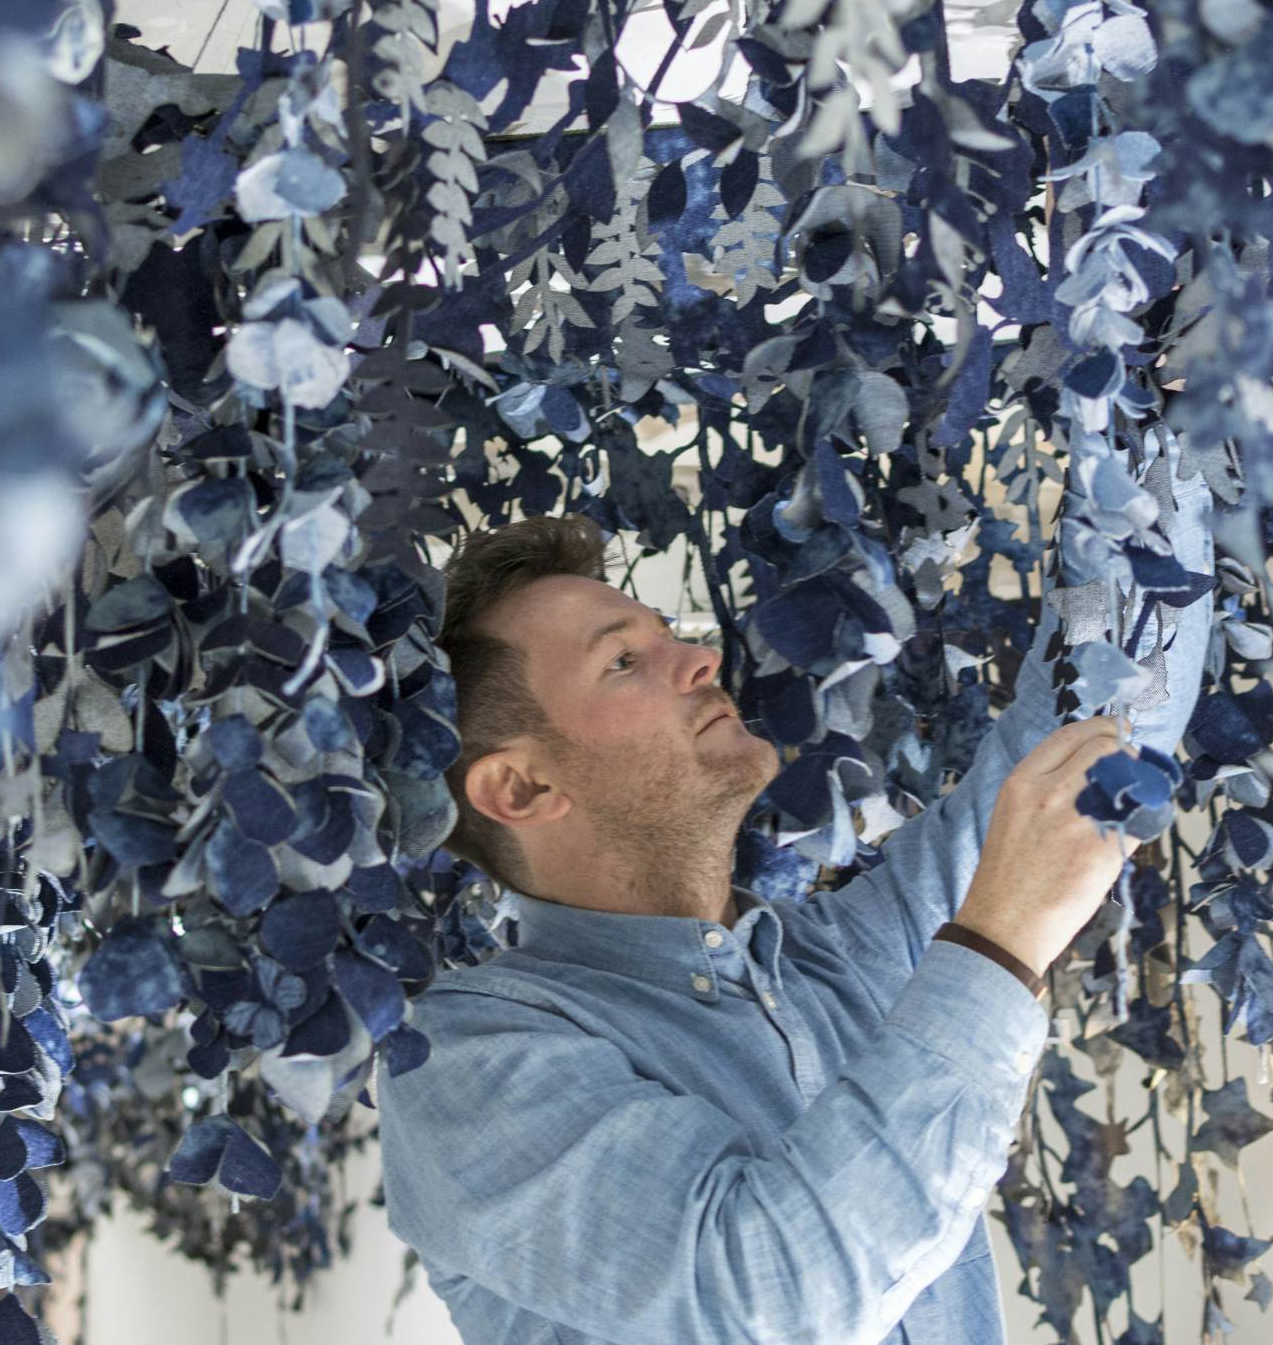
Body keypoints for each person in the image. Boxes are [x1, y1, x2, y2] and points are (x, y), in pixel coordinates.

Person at [374, 454, 1216, 1345]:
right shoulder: (463, 1061)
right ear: (522, 788)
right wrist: (999, 946)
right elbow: (769, 1295)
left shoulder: (851, 954)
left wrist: (1141, 425)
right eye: (625, 660)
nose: (701, 659)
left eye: (671, 635)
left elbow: (1103, 731)